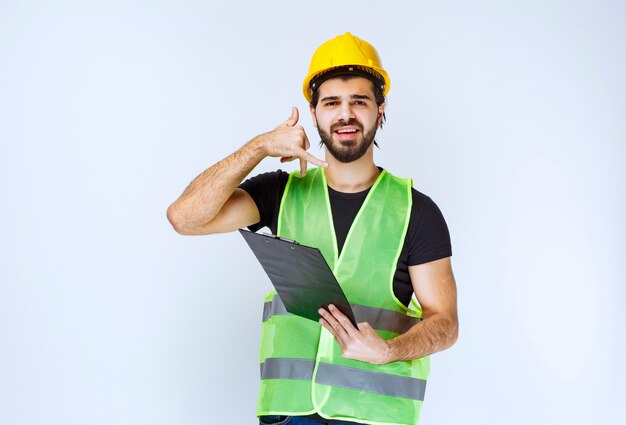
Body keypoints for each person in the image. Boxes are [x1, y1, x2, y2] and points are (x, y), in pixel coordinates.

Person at [167, 32, 458, 425]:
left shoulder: (416, 212)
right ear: (314, 112)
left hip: (375, 416)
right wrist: (258, 147)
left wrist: (387, 351)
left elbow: (445, 323)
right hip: (289, 414)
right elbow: (184, 218)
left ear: (381, 110)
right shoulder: (278, 193)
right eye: (332, 102)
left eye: (359, 101)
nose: (346, 114)